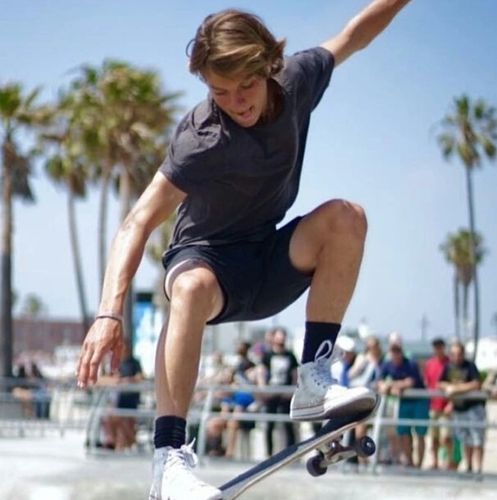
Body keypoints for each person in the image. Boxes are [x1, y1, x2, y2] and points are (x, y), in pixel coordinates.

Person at [76, 2, 411, 498]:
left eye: (246, 86)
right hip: (206, 260)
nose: (235, 102)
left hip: (268, 259)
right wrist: (108, 313)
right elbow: (137, 221)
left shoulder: (297, 79)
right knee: (191, 287)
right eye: (219, 91)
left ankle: (314, 377)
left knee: (347, 217)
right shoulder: (201, 137)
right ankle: (169, 460)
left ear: (269, 66)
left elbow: (353, 35)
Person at [378, 342, 429, 468]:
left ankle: (419, 465)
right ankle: (410, 462)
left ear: (401, 352)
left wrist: (391, 385)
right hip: (404, 402)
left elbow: (410, 382)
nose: (395, 354)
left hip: (419, 401)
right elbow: (380, 381)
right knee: (404, 433)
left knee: (420, 434)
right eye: (393, 351)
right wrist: (387, 386)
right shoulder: (387, 364)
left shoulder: (411, 363)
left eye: (398, 351)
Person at [438, 340, 486, 475]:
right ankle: (469, 467)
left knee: (477, 440)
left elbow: (476, 384)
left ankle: (478, 469)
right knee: (465, 440)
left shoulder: (470, 366)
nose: (457, 357)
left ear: (463, 354)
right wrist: (449, 387)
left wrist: (456, 389)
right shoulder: (448, 367)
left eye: (459, 354)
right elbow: (440, 383)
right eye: (454, 354)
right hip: (459, 409)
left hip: (474, 408)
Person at [260, 328, 298, 456]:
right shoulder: (268, 355)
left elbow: (295, 374)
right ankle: (269, 453)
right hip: (272, 392)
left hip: (285, 393)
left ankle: (291, 453)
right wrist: (263, 389)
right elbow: (261, 372)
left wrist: (292, 390)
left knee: (288, 424)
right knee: (269, 424)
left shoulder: (290, 355)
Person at [423, 338, 454, 470]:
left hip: (446, 406)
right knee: (434, 437)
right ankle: (435, 462)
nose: (438, 349)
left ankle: (448, 461)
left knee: (446, 437)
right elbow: (427, 383)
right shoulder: (429, 363)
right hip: (433, 406)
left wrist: (452, 403)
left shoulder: (450, 363)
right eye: (436, 347)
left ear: (443, 347)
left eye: (440, 347)